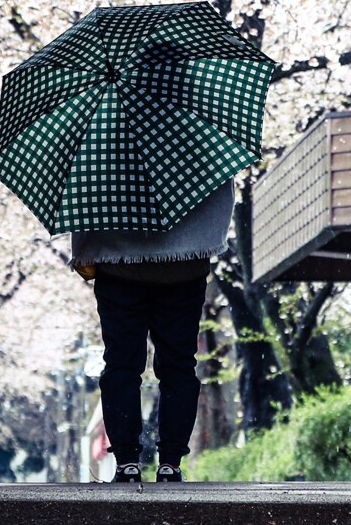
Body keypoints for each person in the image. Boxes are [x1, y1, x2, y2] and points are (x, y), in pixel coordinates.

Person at [72, 179, 235, 484]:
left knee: (121, 364)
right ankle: (171, 463)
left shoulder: (104, 140)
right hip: (184, 262)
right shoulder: (198, 139)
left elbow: (84, 194)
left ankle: (127, 462)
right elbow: (221, 201)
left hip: (117, 260)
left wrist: (84, 249)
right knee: (179, 364)